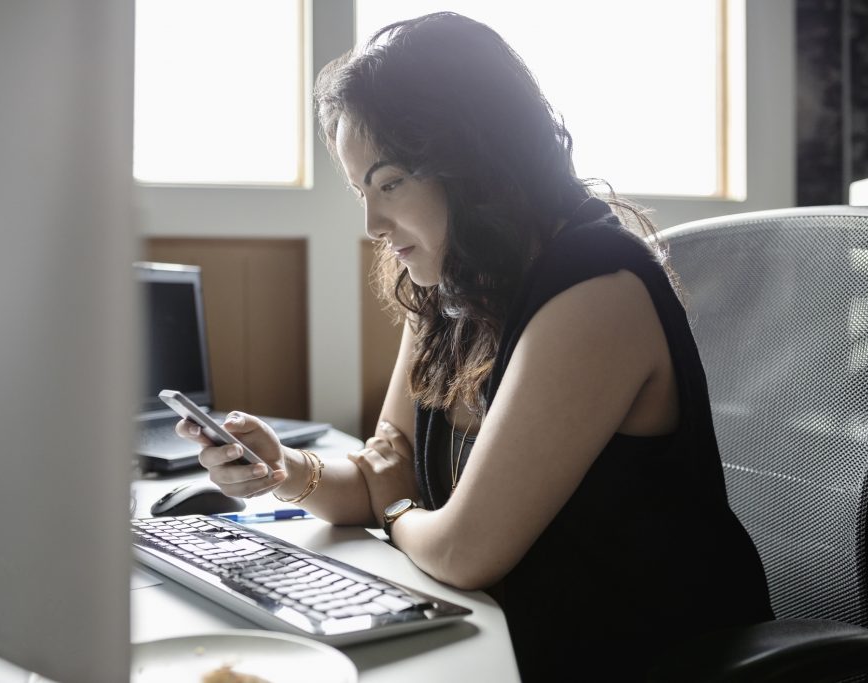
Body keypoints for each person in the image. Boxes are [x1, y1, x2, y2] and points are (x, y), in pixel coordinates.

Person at [177, 12, 773, 681]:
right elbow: (383, 468)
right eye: (359, 190)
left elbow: (462, 548)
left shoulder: (596, 289)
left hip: (635, 656)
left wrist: (399, 510)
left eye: (390, 182)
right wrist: (282, 468)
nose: (372, 222)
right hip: (504, 631)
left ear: (472, 162)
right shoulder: (448, 281)